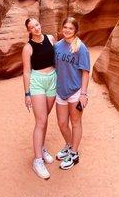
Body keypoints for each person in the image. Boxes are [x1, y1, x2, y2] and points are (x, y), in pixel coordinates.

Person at [22, 18, 56, 179]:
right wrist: (27, 93)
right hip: (37, 82)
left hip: (52, 80)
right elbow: (27, 71)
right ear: (29, 31)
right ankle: (37, 161)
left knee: (45, 118)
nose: (36, 28)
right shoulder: (28, 48)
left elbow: (57, 60)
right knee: (40, 121)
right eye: (32, 27)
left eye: (36, 24)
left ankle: (41, 148)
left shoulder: (50, 38)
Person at [54, 17, 90, 170]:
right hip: (60, 91)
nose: (67, 30)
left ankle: (74, 154)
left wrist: (83, 94)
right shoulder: (57, 46)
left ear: (75, 31)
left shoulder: (80, 48)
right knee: (62, 124)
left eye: (71, 28)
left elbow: (85, 72)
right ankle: (69, 146)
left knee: (75, 123)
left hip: (75, 92)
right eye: (65, 27)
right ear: (62, 28)